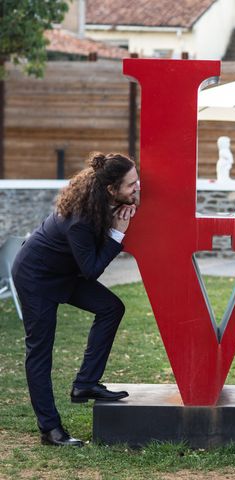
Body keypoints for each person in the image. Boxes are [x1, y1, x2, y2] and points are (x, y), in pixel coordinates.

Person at [12, 152, 139, 447]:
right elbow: (92, 270)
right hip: (36, 278)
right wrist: (117, 235)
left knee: (111, 308)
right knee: (40, 352)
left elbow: (85, 267)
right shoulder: (80, 218)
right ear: (112, 189)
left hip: (64, 272)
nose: (138, 188)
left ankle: (84, 385)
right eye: (132, 184)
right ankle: (50, 429)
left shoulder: (105, 199)